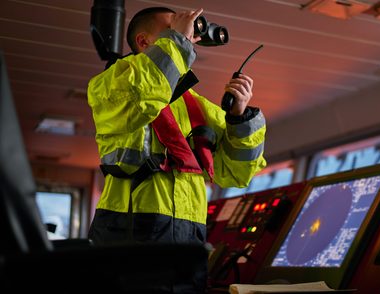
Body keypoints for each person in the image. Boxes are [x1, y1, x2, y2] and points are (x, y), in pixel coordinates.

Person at [87, 6, 266, 292]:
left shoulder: (197, 106)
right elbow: (143, 95)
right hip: (129, 231)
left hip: (188, 238)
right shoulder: (113, 83)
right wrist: (178, 42)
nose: (187, 34)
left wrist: (239, 119)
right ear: (144, 42)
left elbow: (235, 174)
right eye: (174, 29)